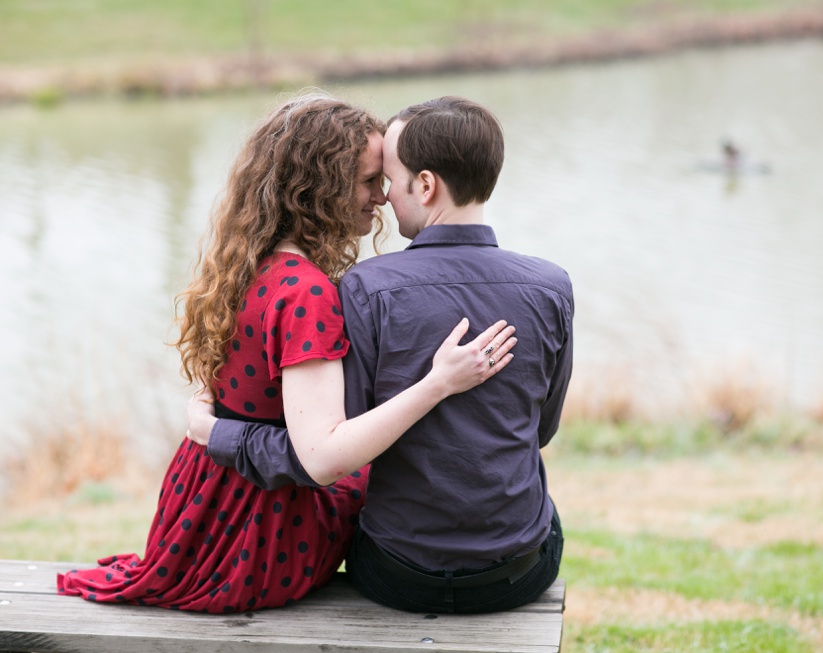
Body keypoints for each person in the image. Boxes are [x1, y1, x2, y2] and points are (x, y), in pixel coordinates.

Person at [57, 91, 516, 614]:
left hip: (200, 513)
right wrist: (438, 383)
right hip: (264, 537)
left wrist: (215, 432)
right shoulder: (307, 293)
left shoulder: (245, 261)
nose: (383, 197)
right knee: (402, 492)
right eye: (369, 180)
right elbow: (321, 458)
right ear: (319, 188)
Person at [189, 95, 574, 614]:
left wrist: (222, 434)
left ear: (426, 185)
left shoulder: (365, 290)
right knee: (542, 516)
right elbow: (541, 431)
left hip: (397, 575)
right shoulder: (552, 288)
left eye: (388, 180)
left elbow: (328, 451)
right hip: (518, 574)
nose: (385, 198)